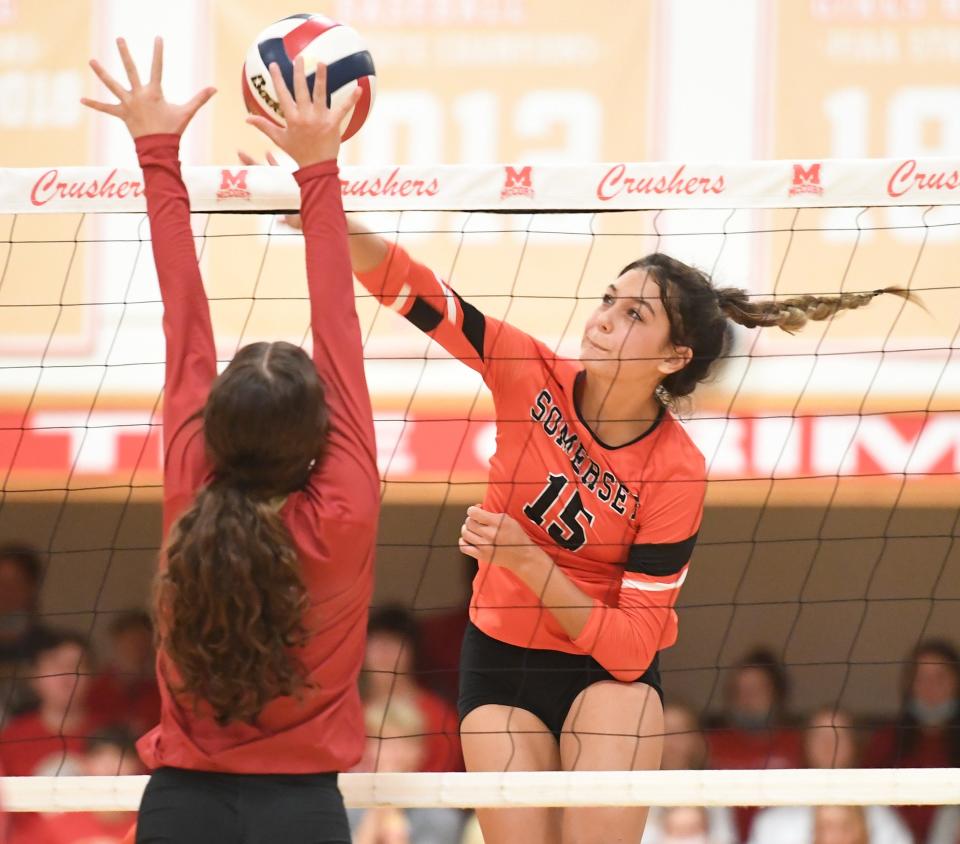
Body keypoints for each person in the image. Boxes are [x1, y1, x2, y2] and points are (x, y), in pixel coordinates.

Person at [341, 205, 912, 844]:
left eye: (634, 314)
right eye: (609, 300)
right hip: (501, 661)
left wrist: (529, 562)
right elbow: (411, 288)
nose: (605, 319)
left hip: (606, 675)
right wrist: (326, 209)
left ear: (674, 357)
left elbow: (632, 648)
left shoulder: (675, 470)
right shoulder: (527, 373)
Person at [82, 38, 377, 844]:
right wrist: (318, 166)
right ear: (323, 433)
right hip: (303, 814)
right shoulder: (343, 508)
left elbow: (185, 320)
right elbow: (339, 325)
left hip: (182, 809)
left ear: (213, 429)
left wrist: (156, 152)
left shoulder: (191, 482)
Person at [748, 708, 910, 844]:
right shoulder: (772, 822)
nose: (829, 743)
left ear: (855, 745)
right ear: (805, 743)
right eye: (819, 735)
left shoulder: (881, 820)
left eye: (838, 734)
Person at [864, 639, 960, 843]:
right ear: (909, 684)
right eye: (921, 678)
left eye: (939, 677)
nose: (930, 687)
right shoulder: (886, 741)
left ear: (956, 681)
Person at [706, 647, 803, 840]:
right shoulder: (711, 743)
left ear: (777, 694)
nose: (747, 699)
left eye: (756, 689)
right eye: (741, 691)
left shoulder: (797, 742)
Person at [349, 698, 466, 844]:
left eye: (403, 742)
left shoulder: (441, 815)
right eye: (384, 741)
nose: (394, 752)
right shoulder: (344, 803)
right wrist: (380, 810)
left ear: (421, 751)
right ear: (366, 748)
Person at [362, 606, 464, 772]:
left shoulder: (440, 717)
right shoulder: (349, 715)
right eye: (376, 642)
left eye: (394, 643)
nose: (383, 652)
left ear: (412, 651)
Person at [642, 703, 736, 844]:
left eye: (679, 733)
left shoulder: (715, 787)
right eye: (664, 732)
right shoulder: (637, 786)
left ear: (696, 739)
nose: (672, 743)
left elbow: (726, 838)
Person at [87, 610, 160, 733]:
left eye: (143, 641)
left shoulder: (159, 691)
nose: (137, 647)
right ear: (117, 641)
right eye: (131, 640)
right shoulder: (95, 688)